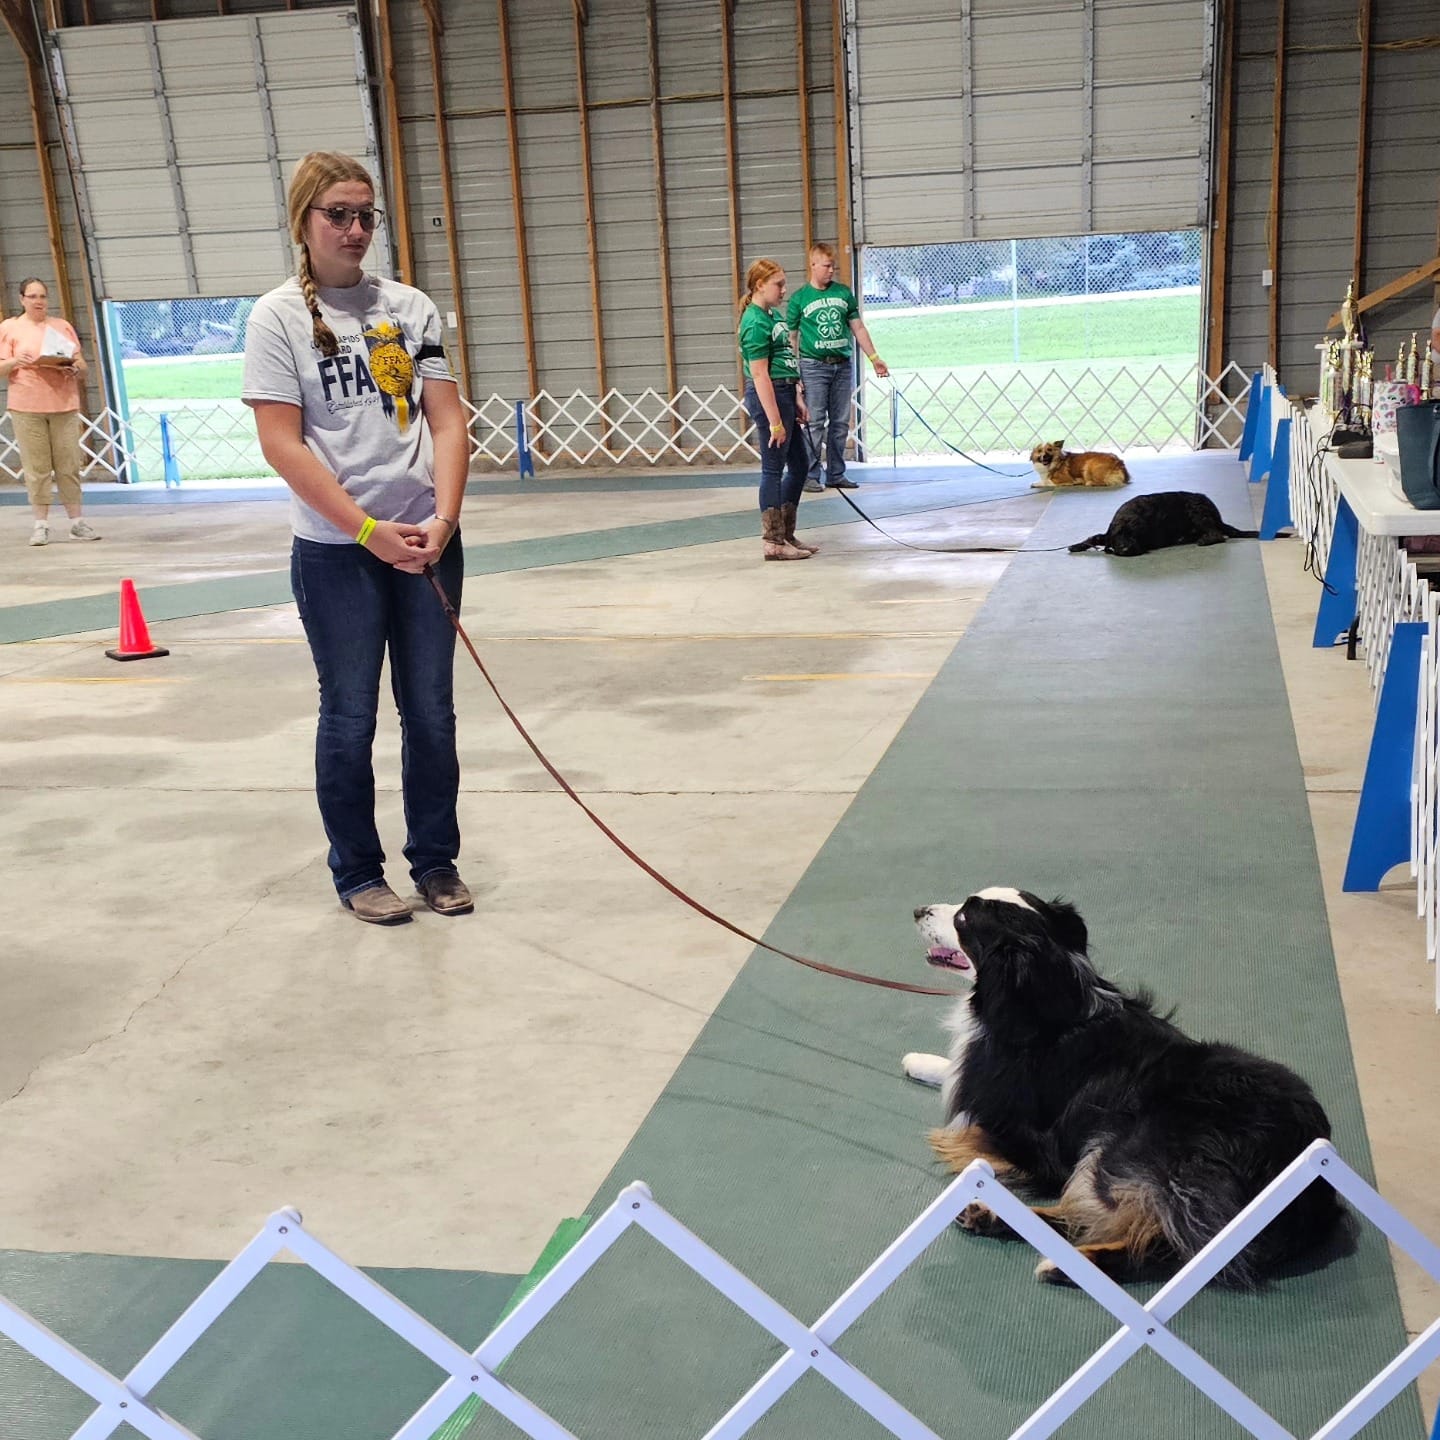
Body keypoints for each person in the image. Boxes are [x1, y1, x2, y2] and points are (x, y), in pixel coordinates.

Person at [242, 151, 473, 926]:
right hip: (338, 554)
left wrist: (442, 521)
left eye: (365, 214)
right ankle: (358, 873)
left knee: (431, 712)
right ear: (303, 221)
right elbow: (282, 444)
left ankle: (435, 862)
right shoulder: (275, 318)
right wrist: (368, 531)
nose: (354, 228)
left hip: (428, 544)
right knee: (349, 717)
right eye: (337, 214)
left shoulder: (410, 307)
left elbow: (448, 422)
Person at [0, 278, 100, 546]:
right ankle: (41, 525)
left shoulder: (62, 326)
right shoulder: (9, 328)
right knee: (37, 467)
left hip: (64, 405)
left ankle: (76, 523)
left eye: (42, 296)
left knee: (69, 465)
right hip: (26, 406)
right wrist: (15, 361)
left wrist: (74, 368)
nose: (38, 301)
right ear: (22, 299)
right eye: (32, 296)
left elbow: (81, 365)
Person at [786, 243, 890, 493]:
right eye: (826, 266)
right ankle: (810, 475)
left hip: (842, 365)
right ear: (813, 265)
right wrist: (794, 373)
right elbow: (792, 338)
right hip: (813, 366)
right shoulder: (799, 299)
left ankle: (836, 473)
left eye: (833, 266)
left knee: (841, 422)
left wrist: (874, 357)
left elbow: (858, 327)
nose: (831, 270)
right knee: (814, 422)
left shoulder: (844, 294)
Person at [738, 259, 818, 560]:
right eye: (778, 285)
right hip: (769, 396)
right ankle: (772, 541)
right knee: (773, 469)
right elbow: (759, 374)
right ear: (760, 285)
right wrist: (775, 421)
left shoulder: (773, 316)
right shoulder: (754, 322)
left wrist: (796, 395)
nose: (784, 290)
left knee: (799, 465)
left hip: (785, 392)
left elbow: (785, 358)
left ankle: (785, 533)